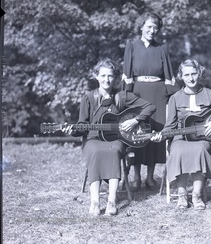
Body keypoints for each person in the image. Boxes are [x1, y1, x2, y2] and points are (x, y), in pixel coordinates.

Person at [63, 59, 155, 216]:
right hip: (92, 139)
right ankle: (95, 202)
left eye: (110, 76)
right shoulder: (88, 98)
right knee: (95, 151)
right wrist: (71, 130)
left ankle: (112, 201)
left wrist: (135, 120)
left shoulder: (122, 96)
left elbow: (150, 106)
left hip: (116, 139)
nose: (106, 80)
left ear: (115, 78)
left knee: (113, 151)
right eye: (103, 76)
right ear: (96, 77)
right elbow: (81, 125)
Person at [152, 59, 211, 210]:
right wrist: (160, 136)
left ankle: (196, 195)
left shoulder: (210, 94)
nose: (191, 78)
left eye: (194, 74)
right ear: (181, 76)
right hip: (180, 137)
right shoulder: (175, 98)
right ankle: (182, 195)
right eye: (187, 75)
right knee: (177, 151)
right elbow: (169, 126)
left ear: (199, 73)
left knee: (200, 150)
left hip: (204, 138)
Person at [122, 12, 178, 190]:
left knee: (156, 133)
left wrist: (173, 99)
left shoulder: (162, 48)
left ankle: (150, 177)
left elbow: (169, 76)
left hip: (158, 94)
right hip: (138, 94)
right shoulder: (131, 46)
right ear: (141, 27)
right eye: (149, 27)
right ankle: (137, 177)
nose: (152, 31)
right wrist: (126, 98)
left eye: (155, 27)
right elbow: (128, 74)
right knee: (138, 132)